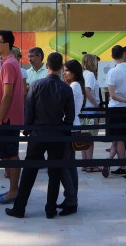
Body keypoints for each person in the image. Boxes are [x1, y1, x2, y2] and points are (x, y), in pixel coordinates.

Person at [5, 52, 75, 219]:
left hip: (37, 133)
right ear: (60, 67)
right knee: (54, 173)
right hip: (57, 134)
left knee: (29, 172)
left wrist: (28, 128)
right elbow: (70, 116)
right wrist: (63, 130)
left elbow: (29, 109)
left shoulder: (36, 85)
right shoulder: (66, 88)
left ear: (48, 66)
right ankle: (50, 209)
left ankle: (19, 208)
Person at [0, 30, 25, 205]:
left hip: (7, 119)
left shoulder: (9, 64)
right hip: (7, 118)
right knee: (7, 154)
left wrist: (0, 117)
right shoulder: (6, 63)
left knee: (11, 155)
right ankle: (12, 189)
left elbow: (8, 94)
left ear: (7, 45)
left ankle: (13, 191)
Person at [102, 45, 126, 177]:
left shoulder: (112, 72)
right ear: (123, 54)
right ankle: (109, 161)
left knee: (118, 138)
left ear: (112, 56)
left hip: (116, 107)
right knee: (120, 138)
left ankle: (121, 166)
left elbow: (112, 95)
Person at [58, 59, 84, 216]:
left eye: (66, 70)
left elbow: (67, 107)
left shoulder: (73, 86)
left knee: (62, 166)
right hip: (74, 127)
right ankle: (71, 198)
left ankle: (71, 200)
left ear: (73, 72)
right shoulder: (75, 85)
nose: (64, 73)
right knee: (70, 166)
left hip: (70, 128)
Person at [80, 54, 101, 172]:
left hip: (84, 109)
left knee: (84, 137)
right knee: (90, 138)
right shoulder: (90, 74)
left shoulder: (83, 74)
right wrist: (96, 105)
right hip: (90, 109)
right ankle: (90, 165)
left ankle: (85, 164)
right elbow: (87, 91)